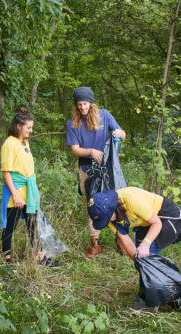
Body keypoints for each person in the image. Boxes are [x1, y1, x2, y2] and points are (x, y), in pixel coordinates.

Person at [87, 187, 181, 310]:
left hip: (167, 217)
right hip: (146, 223)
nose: (108, 221)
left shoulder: (131, 200)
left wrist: (146, 244)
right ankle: (162, 291)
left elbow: (157, 223)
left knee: (149, 253)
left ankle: (147, 301)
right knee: (144, 261)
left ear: (112, 207)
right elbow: (125, 239)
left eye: (108, 217)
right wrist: (140, 264)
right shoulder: (106, 216)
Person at [66, 86, 126, 259]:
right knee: (91, 205)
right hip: (86, 170)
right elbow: (76, 149)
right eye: (79, 105)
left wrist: (118, 133)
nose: (82, 108)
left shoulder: (105, 115)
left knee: (115, 202)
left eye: (85, 104)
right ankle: (95, 244)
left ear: (91, 104)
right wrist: (91, 151)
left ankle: (120, 239)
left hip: (108, 168)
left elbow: (123, 134)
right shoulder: (72, 123)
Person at [0, 108, 60, 268]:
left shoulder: (24, 142)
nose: (31, 131)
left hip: (29, 193)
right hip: (16, 193)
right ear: (19, 126)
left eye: (31, 127)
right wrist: (16, 195)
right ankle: (6, 260)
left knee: (33, 225)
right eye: (29, 128)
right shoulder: (9, 144)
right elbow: (6, 173)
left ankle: (40, 257)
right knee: (10, 226)